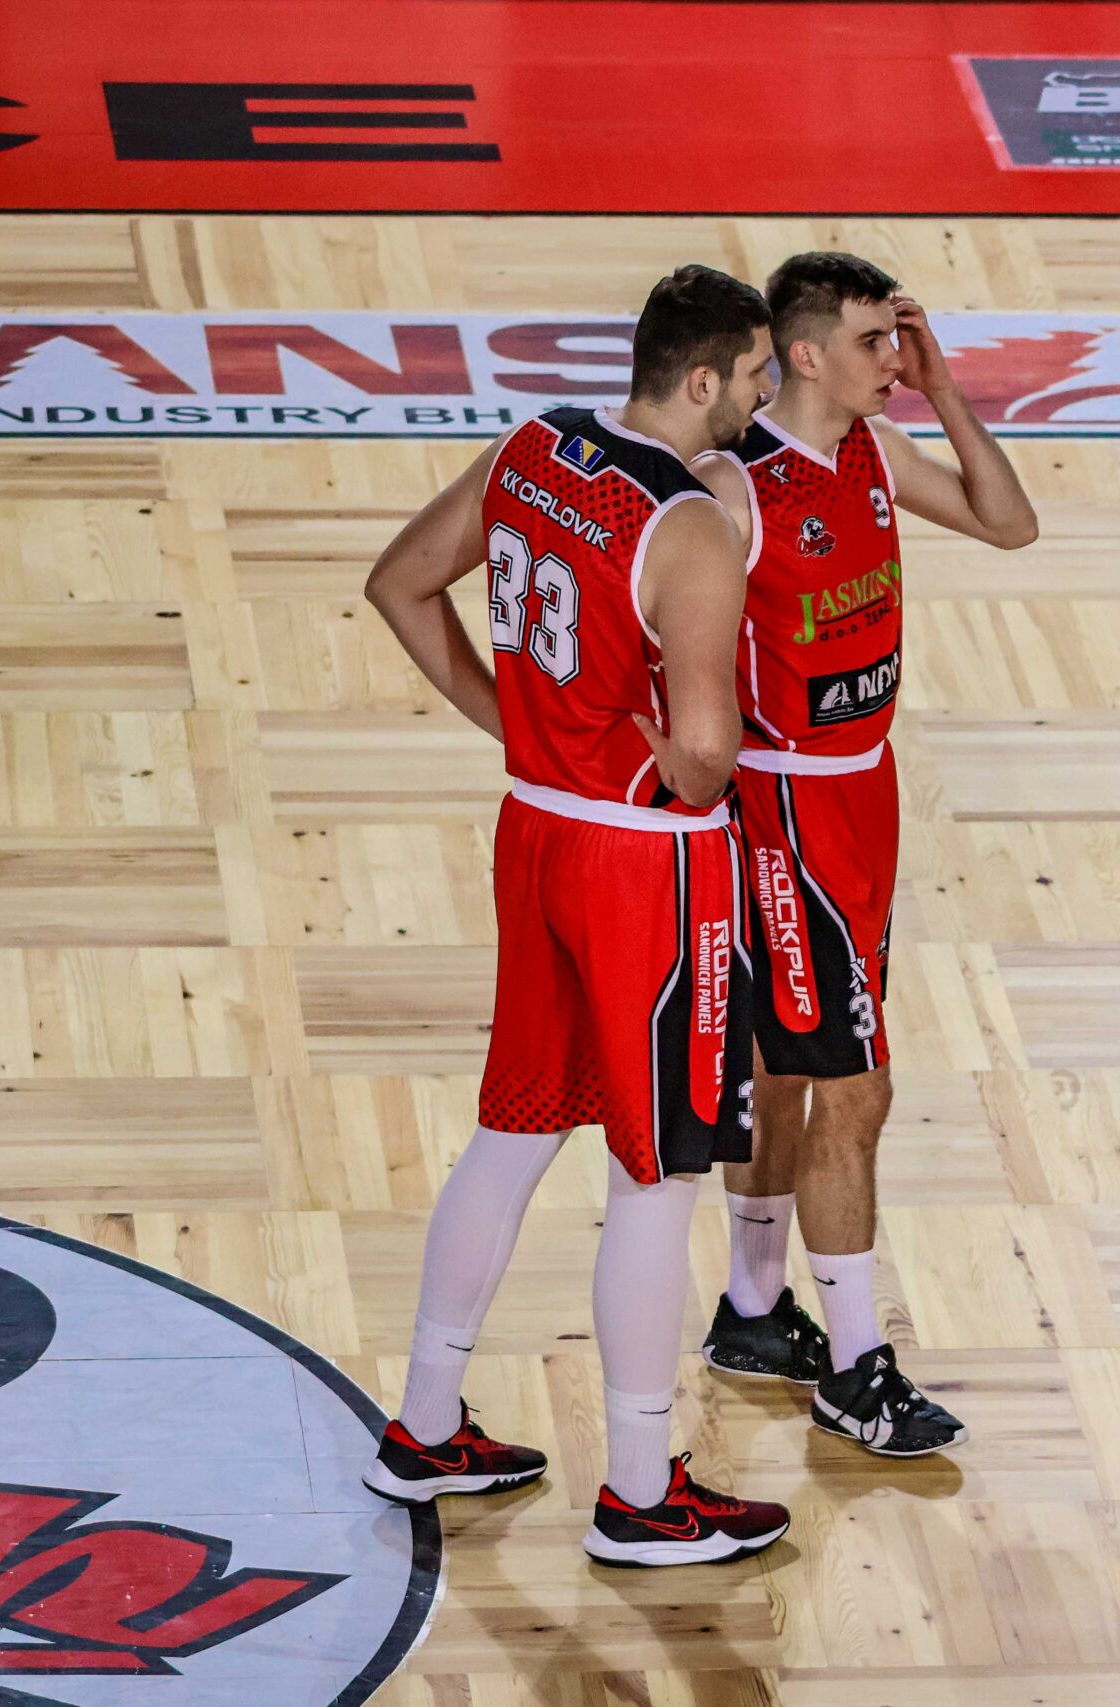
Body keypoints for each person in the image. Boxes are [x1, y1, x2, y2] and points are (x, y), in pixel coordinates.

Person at [358, 265, 790, 1567]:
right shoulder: (692, 529)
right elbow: (702, 759)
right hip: (647, 865)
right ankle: (643, 1489)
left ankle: (426, 1420)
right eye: (755, 375)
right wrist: (678, 758)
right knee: (657, 1170)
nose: (765, 396)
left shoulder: (534, 445)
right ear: (701, 379)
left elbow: (399, 583)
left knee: (515, 1126)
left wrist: (524, 730)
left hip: (538, 828)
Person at [690, 251, 1037, 1454]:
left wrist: (943, 392)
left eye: (898, 339)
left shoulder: (876, 451)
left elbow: (1010, 525)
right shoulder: (733, 486)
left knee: (789, 1067)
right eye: (874, 342)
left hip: (864, 797)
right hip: (782, 810)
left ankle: (751, 1310)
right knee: (857, 1085)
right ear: (804, 353)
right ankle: (854, 1366)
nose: (893, 358)